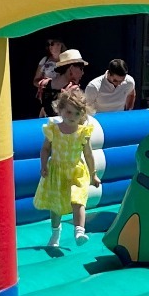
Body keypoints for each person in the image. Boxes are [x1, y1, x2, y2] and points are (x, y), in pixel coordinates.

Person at [33, 89, 101, 248]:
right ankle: (55, 233)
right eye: (69, 112)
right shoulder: (53, 129)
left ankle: (79, 230)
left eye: (77, 114)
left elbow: (88, 154)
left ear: (82, 114)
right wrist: (43, 165)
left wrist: (93, 174)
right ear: (60, 109)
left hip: (76, 171)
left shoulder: (83, 132)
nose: (72, 117)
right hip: (57, 171)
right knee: (56, 206)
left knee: (78, 200)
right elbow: (45, 149)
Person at [43, 47, 90, 111]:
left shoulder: (45, 84)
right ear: (71, 68)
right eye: (81, 68)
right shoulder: (74, 90)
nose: (82, 73)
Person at [33, 37, 66, 116]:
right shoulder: (45, 60)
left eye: (52, 44)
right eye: (48, 44)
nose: (50, 46)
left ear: (60, 45)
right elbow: (35, 81)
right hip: (48, 98)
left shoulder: (67, 60)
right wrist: (45, 83)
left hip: (64, 97)